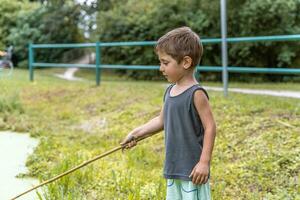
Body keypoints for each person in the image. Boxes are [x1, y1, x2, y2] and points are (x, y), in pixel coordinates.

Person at [121, 27, 216, 200]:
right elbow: (161, 121)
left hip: (193, 170)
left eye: (165, 63)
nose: (160, 68)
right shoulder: (170, 91)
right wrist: (136, 133)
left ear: (186, 62)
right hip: (173, 167)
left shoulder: (196, 93)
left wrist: (204, 162)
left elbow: (210, 127)